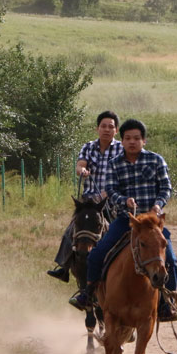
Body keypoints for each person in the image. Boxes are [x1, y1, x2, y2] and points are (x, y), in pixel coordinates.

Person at [71, 119, 177, 323]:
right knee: (96, 255)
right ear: (122, 141)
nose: (132, 142)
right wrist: (124, 200)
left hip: (152, 222)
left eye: (137, 138)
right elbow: (111, 191)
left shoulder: (156, 161)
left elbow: (166, 187)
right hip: (126, 221)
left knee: (171, 260)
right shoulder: (115, 164)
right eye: (128, 138)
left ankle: (167, 303)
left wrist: (158, 204)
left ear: (144, 140)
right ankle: (88, 294)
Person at [46, 111, 124, 283]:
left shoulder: (122, 149)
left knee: (125, 233)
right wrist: (82, 171)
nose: (106, 130)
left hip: (113, 202)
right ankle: (64, 267)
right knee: (70, 231)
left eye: (110, 127)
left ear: (116, 130)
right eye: (103, 126)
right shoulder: (88, 147)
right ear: (97, 128)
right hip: (89, 203)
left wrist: (109, 192)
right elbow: (80, 165)